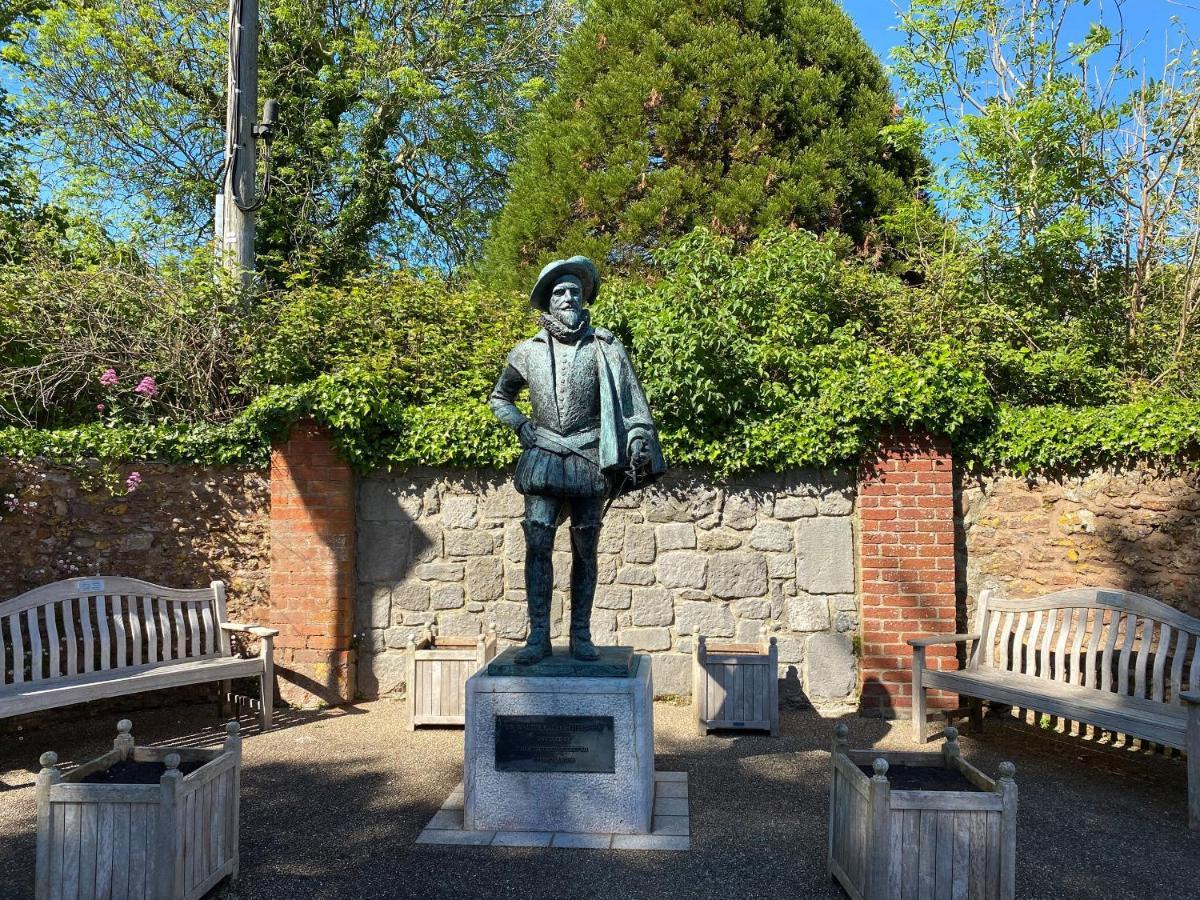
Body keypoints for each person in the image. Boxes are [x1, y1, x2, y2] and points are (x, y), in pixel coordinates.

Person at [489, 256, 665, 663]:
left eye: (573, 291)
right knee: (538, 547)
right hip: (543, 457)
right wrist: (519, 424)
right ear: (548, 303)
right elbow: (500, 398)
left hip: (589, 457)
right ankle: (538, 637)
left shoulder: (606, 347)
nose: (567, 297)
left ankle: (581, 635)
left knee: (586, 548)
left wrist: (637, 438)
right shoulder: (525, 352)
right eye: (558, 292)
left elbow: (632, 405)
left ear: (584, 298)